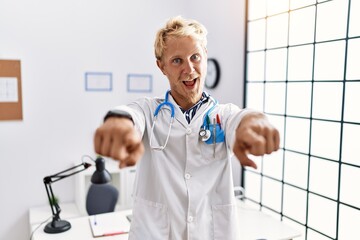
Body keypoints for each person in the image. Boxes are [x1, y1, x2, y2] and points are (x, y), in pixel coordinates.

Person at [94, 16, 280, 240]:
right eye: (177, 61)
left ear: (205, 57)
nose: (189, 68)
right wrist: (117, 121)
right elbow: (129, 115)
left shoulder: (223, 115)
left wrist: (253, 120)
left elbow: (241, 119)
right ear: (161, 66)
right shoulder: (149, 111)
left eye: (195, 57)